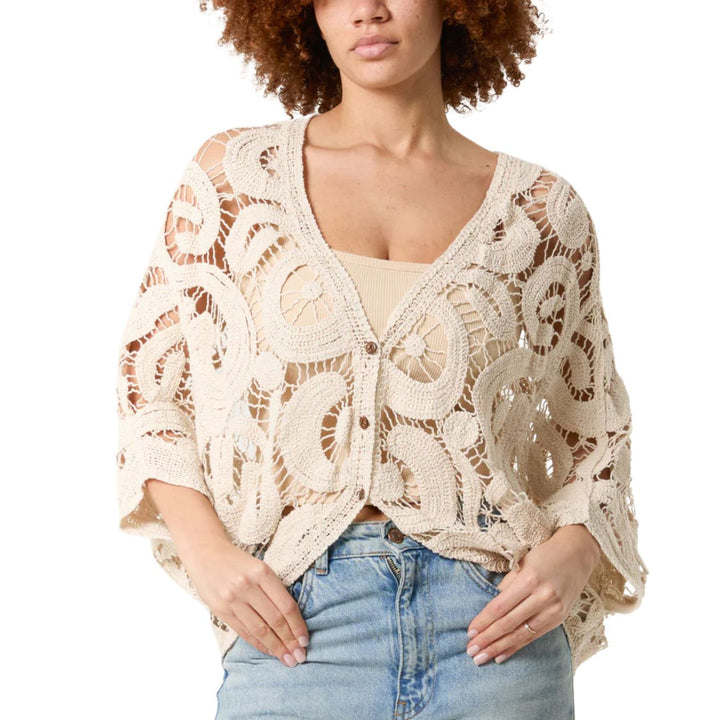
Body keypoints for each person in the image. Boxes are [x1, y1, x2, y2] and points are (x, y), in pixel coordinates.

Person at [115, 1, 649, 718]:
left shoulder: (541, 213)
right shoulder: (236, 182)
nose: (368, 11)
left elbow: (597, 434)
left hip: (495, 643)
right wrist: (208, 554)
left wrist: (574, 553)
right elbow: (153, 389)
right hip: (297, 634)